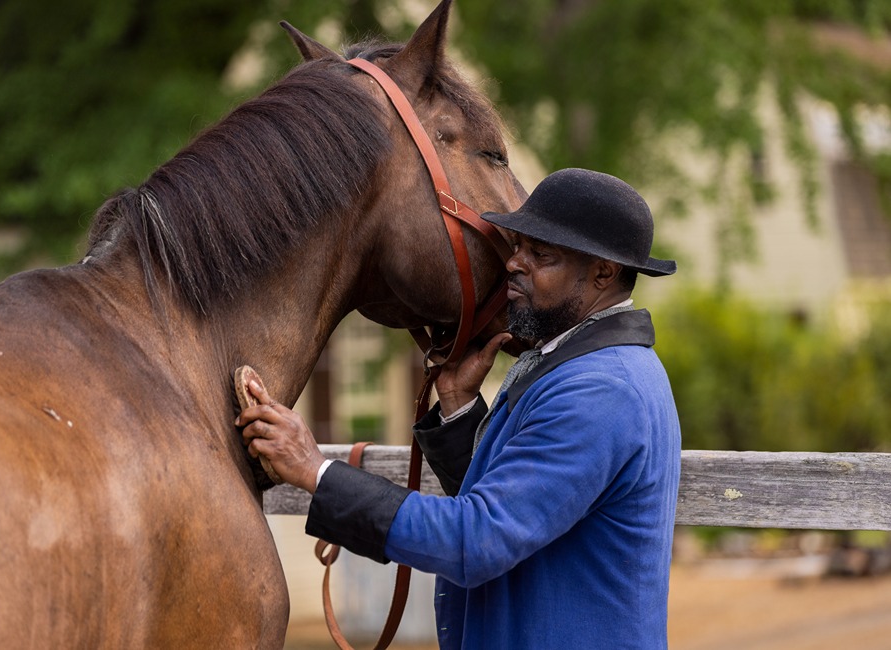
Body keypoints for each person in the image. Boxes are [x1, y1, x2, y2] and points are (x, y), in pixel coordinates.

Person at [237, 168, 681, 649]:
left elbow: (478, 539)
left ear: (602, 273)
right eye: (519, 247)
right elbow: (521, 510)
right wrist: (459, 407)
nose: (514, 264)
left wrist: (314, 470)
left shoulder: (601, 390)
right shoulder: (585, 367)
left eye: (542, 254)